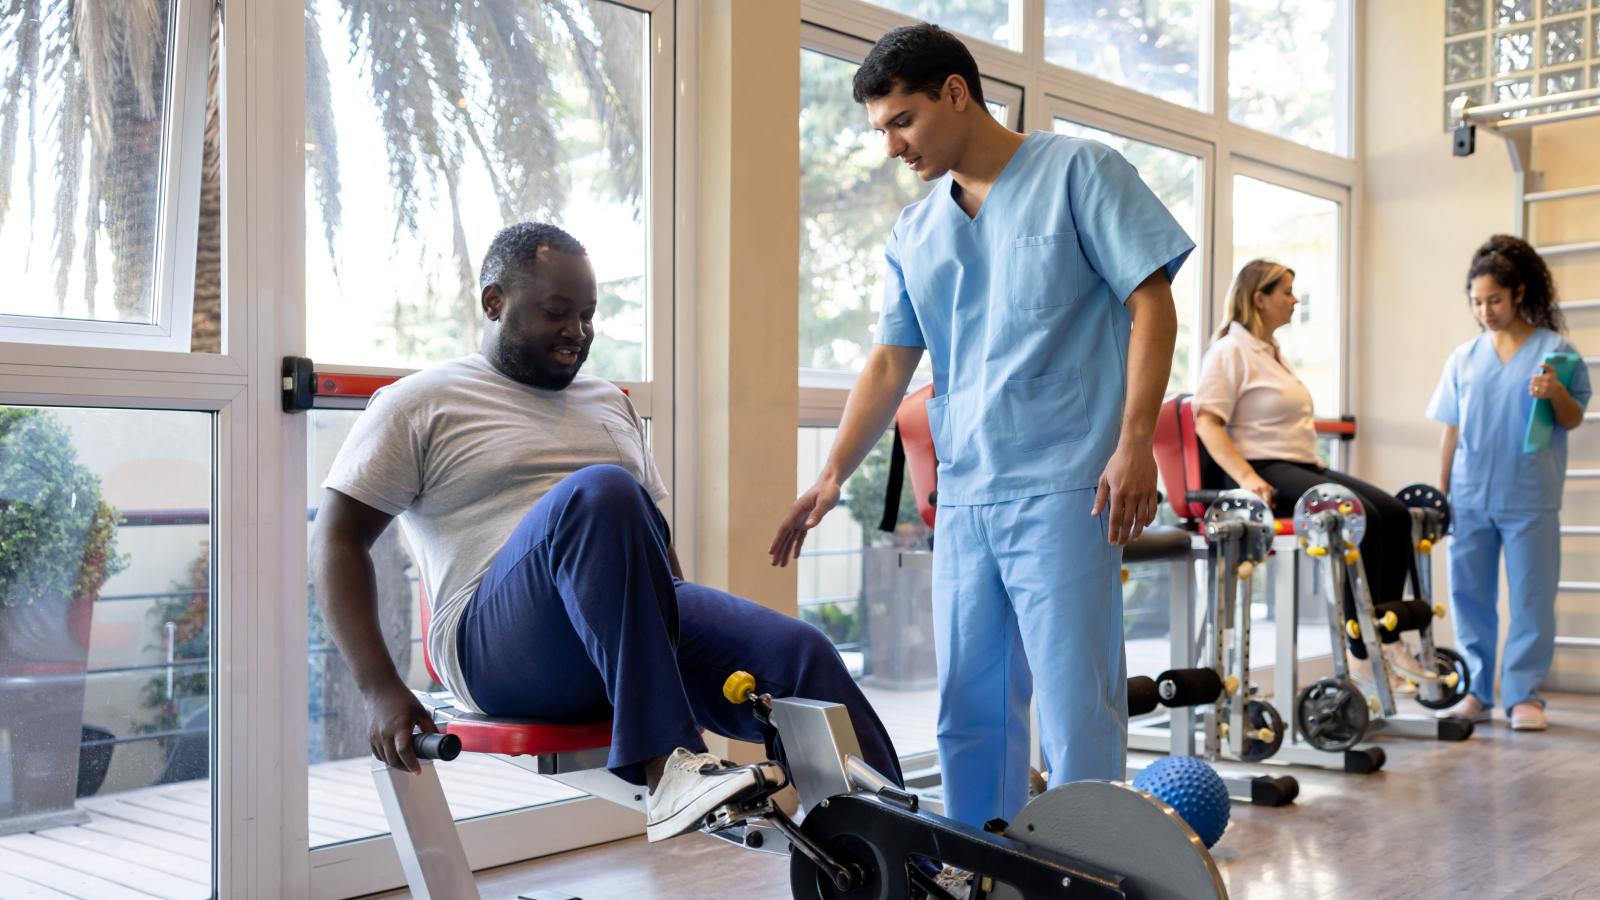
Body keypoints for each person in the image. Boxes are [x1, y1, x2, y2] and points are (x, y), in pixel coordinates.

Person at [311, 222, 901, 843]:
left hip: (616, 629)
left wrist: (690, 641)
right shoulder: (419, 402)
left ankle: (909, 860)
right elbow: (337, 541)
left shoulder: (608, 401)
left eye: (589, 315)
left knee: (799, 655)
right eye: (557, 312)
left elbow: (654, 545)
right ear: (494, 302)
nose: (578, 332)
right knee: (602, 491)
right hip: (499, 648)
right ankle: (667, 764)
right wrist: (379, 687)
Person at [770, 23, 1193, 828]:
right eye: (880, 130)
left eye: (902, 121)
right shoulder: (917, 230)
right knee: (970, 709)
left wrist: (1135, 441)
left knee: (1076, 708)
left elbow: (1152, 303)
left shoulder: (1081, 171)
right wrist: (830, 476)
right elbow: (891, 364)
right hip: (967, 495)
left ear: (955, 92)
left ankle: (1087, 869)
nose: (891, 146)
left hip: (1070, 482)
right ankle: (980, 867)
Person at [1193, 260, 1416, 664]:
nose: (1295, 301)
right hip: (1263, 468)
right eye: (1287, 292)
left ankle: (1388, 636)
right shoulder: (1230, 351)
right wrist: (1247, 478)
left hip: (1300, 464)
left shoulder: (1271, 352)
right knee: (1357, 516)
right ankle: (1363, 652)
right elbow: (1207, 423)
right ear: (1260, 298)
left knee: (1395, 514)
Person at [1426, 234, 1589, 731]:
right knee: (1469, 596)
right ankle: (1477, 691)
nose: (1485, 311)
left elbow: (1573, 417)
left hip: (1529, 496)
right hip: (1471, 495)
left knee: (1532, 598)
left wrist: (1555, 391)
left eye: (1494, 300)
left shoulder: (1554, 351)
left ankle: (1525, 696)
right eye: (1477, 302)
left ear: (1518, 293)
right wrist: (1442, 497)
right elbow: (1450, 431)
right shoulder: (1464, 358)